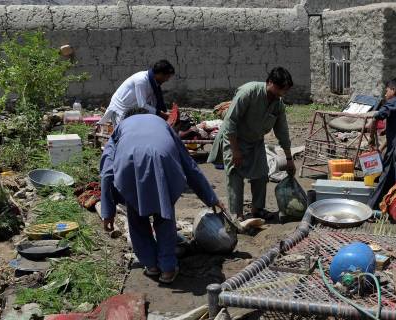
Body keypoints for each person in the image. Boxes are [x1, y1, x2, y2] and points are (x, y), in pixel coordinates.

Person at [100, 108, 225, 284]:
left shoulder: (121, 128)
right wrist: (211, 198)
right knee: (164, 215)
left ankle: (151, 265)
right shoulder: (161, 124)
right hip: (164, 164)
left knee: (136, 217)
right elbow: (189, 165)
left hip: (130, 166)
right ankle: (167, 269)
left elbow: (107, 172)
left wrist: (108, 211)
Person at [208, 67, 295, 221]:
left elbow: (282, 132)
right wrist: (235, 151)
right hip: (234, 138)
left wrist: (289, 159)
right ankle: (237, 214)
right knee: (235, 175)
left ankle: (258, 209)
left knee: (261, 174)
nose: (281, 93)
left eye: (284, 90)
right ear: (269, 82)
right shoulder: (248, 93)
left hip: (255, 141)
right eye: (279, 89)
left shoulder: (278, 104)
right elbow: (230, 123)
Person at [367, 77, 396, 208]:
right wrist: (380, 149)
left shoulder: (394, 103)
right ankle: (394, 206)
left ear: (394, 91)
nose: (385, 94)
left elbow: (376, 116)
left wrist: (371, 137)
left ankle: (375, 207)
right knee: (395, 179)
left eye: (387, 91)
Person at [99, 60, 176, 127]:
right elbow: (142, 105)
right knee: (122, 133)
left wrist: (163, 113)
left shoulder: (154, 82)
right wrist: (161, 114)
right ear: (160, 74)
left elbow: (154, 101)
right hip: (121, 109)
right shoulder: (141, 80)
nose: (167, 80)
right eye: (167, 77)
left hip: (133, 108)